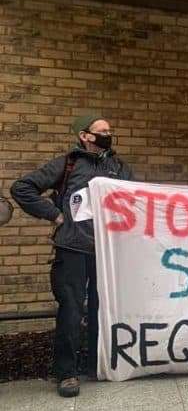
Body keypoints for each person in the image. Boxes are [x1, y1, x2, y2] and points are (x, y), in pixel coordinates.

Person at [11, 114, 132, 398]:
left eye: (110, 130)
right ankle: (67, 374)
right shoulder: (68, 164)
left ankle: (98, 366)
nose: (108, 134)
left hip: (106, 251)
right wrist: (54, 215)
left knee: (103, 310)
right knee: (71, 310)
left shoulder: (119, 167)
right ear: (84, 136)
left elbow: (138, 198)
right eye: (102, 130)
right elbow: (22, 188)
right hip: (73, 249)